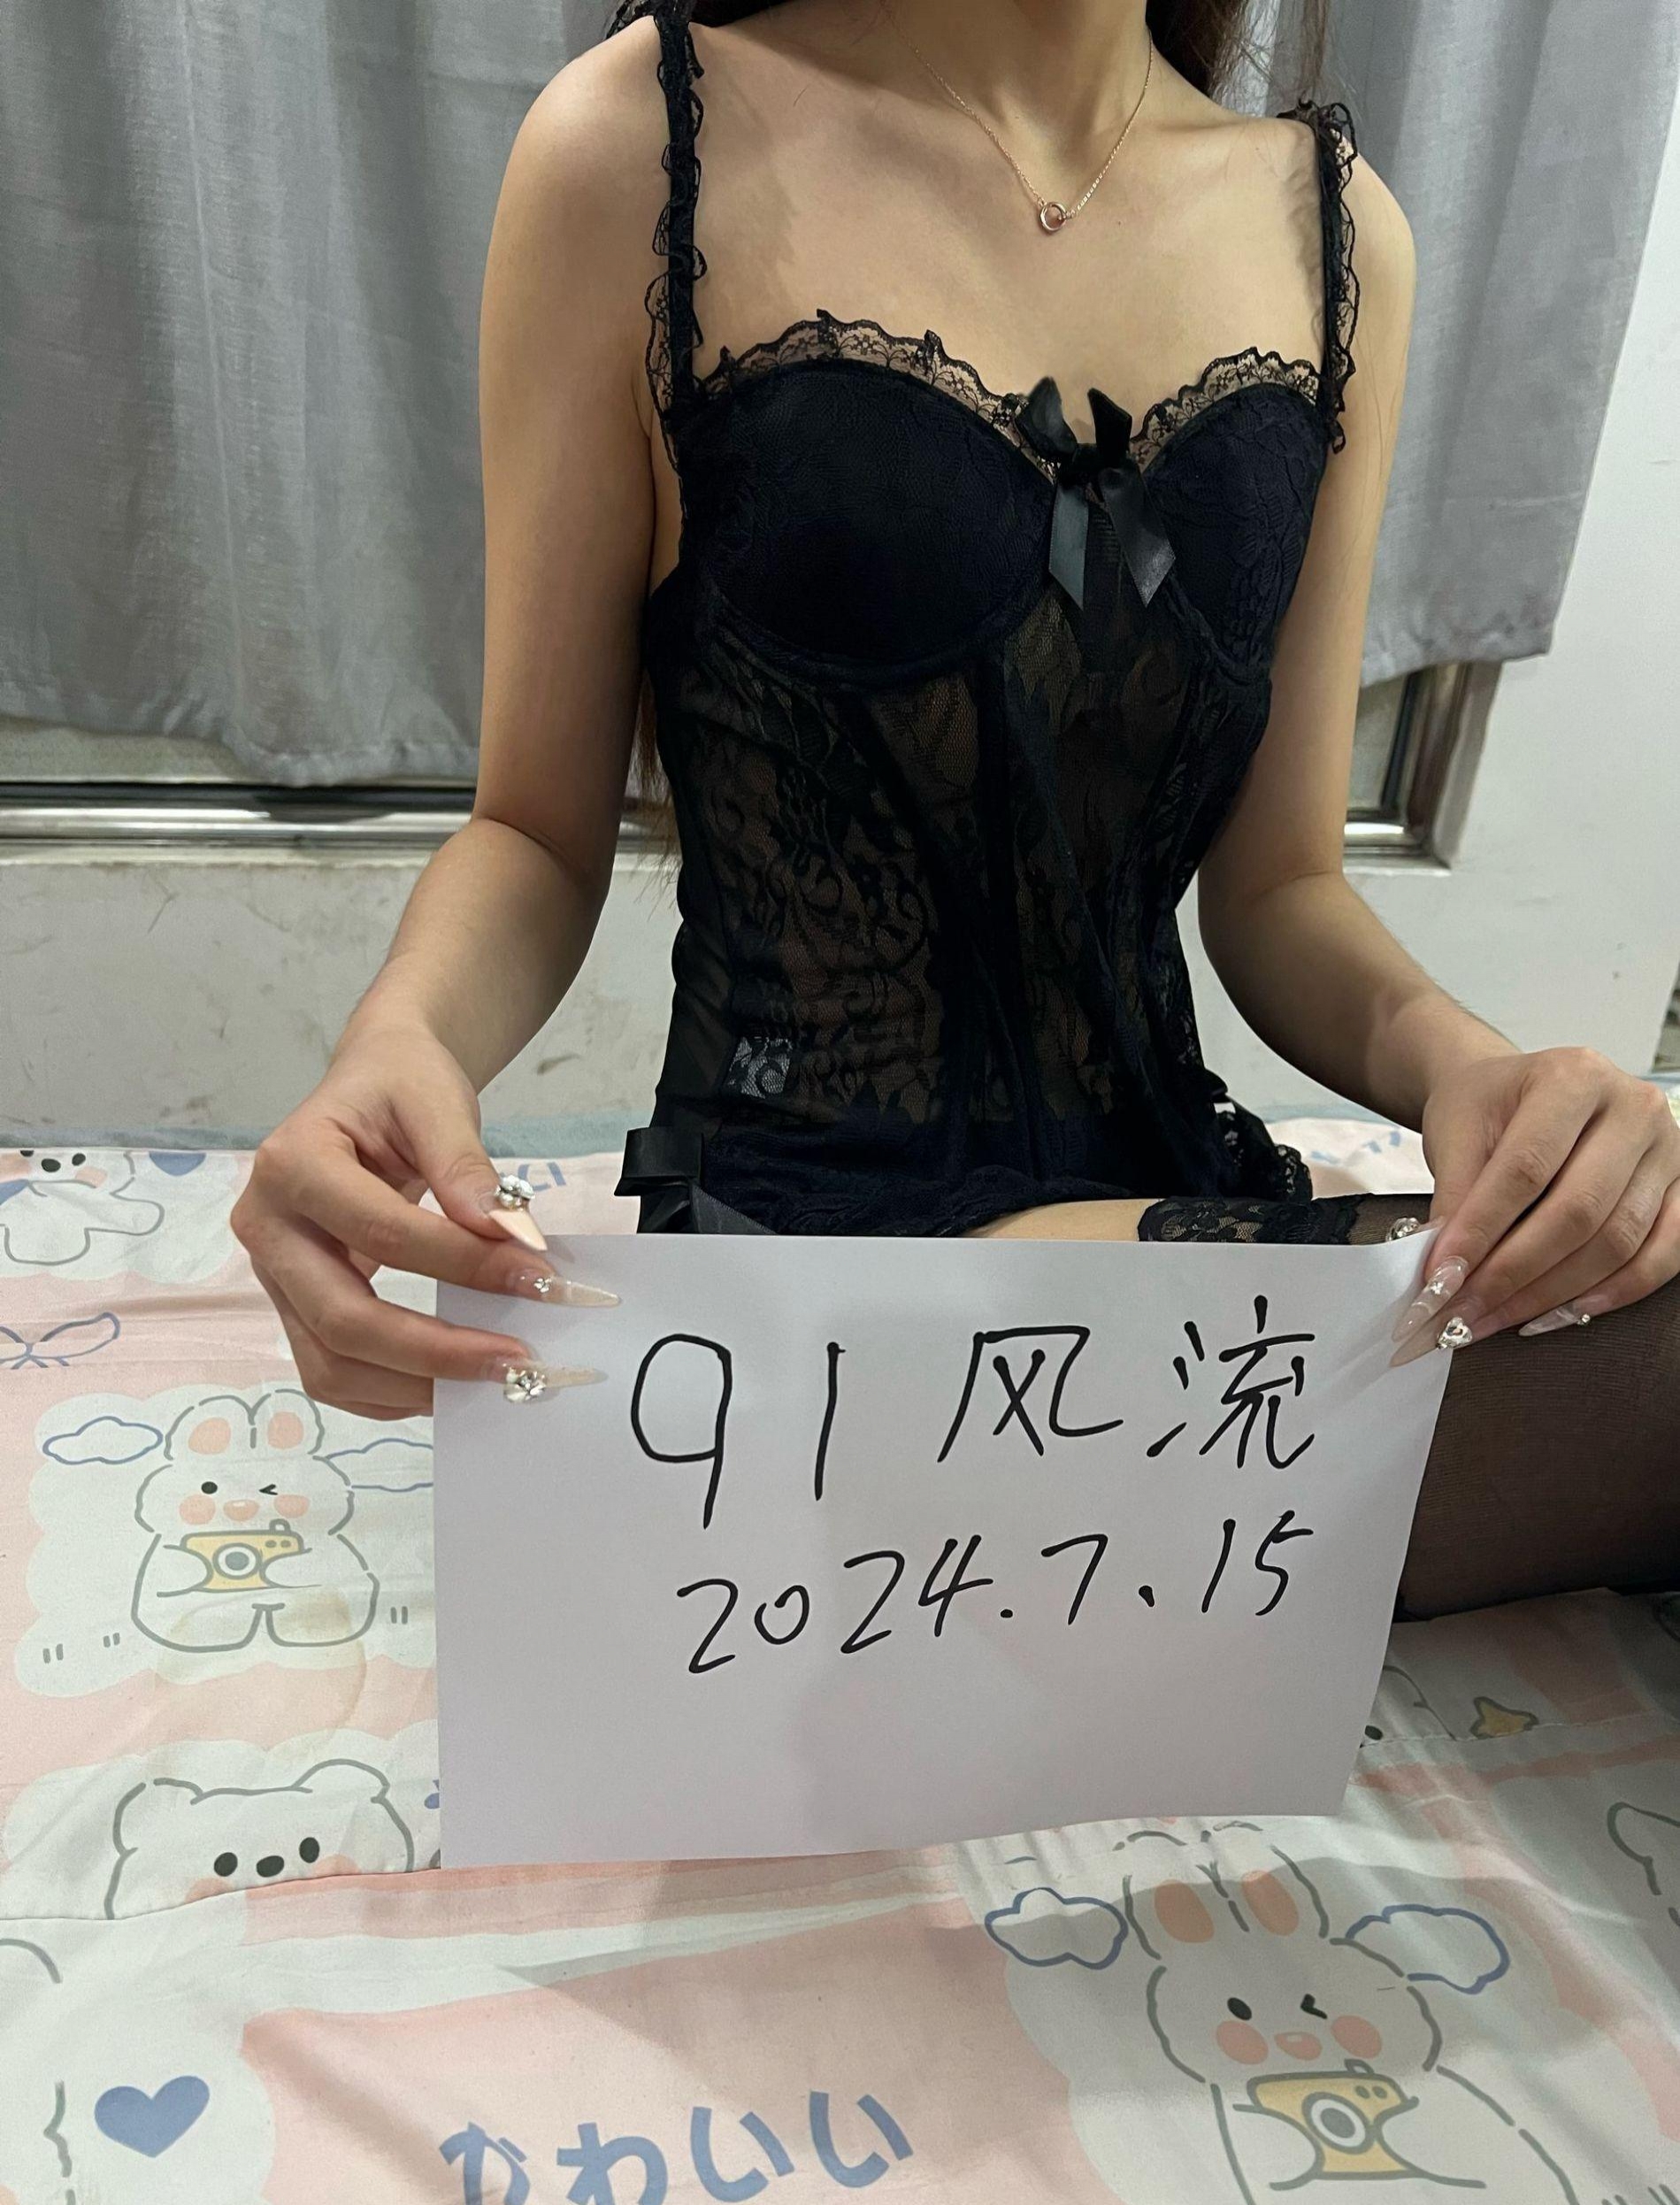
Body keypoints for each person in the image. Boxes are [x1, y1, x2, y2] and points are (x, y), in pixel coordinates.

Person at [232, 0, 1680, 1616]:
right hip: (814, 1265)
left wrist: (1476, 1072)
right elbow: (536, 833)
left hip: (1176, 1228)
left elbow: (1282, 892)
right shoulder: (634, 148)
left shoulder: (1339, 234)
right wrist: (397, 1044)